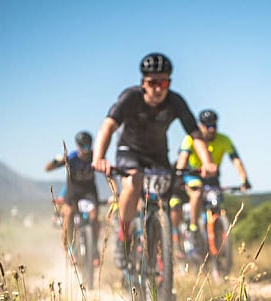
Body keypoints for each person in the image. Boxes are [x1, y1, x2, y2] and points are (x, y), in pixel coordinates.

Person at [91, 53, 217, 270]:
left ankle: (160, 256)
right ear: (143, 83)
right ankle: (123, 237)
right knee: (133, 183)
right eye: (152, 83)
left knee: (164, 199)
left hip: (158, 155)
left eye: (163, 83)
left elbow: (196, 134)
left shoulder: (175, 101)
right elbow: (108, 127)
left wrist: (207, 162)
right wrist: (99, 157)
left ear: (169, 83)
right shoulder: (130, 97)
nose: (158, 88)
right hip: (129, 151)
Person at [171, 109, 251, 253]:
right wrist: (179, 175)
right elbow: (182, 158)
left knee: (217, 204)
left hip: (212, 178)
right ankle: (193, 228)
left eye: (214, 125)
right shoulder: (191, 138)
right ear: (200, 126)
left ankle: (217, 243)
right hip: (193, 175)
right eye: (208, 125)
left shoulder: (224, 139)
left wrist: (244, 179)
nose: (211, 128)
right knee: (197, 192)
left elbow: (236, 161)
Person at [45, 130, 100, 264]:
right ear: (78, 146)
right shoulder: (72, 158)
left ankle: (94, 249)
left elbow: (109, 174)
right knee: (69, 214)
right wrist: (56, 160)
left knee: (94, 217)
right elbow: (48, 168)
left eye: (88, 146)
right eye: (83, 146)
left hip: (89, 191)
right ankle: (71, 249)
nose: (85, 150)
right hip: (73, 191)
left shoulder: (95, 156)